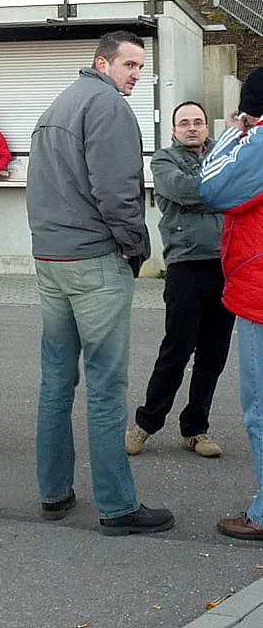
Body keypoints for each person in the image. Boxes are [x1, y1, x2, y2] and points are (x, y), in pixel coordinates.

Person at [27, 30, 173, 535]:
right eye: (129, 64)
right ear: (102, 63)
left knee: (56, 381)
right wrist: (136, 245)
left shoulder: (56, 106)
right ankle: (117, 506)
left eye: (140, 66)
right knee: (107, 387)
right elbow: (117, 191)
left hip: (51, 259)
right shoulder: (107, 107)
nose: (136, 74)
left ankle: (53, 491)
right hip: (94, 259)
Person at [125, 102, 232, 461]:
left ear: (206, 127)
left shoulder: (225, 151)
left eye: (198, 122)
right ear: (173, 130)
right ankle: (146, 423)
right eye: (184, 123)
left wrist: (216, 189)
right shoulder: (163, 161)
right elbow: (187, 191)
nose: (191, 127)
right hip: (186, 267)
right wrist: (219, 189)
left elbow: (237, 192)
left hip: (224, 267)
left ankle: (195, 429)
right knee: (177, 350)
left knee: (213, 356)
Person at [199, 68, 263, 541]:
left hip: (260, 293)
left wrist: (229, 134)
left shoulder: (257, 144)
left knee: (260, 409)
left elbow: (213, 188)